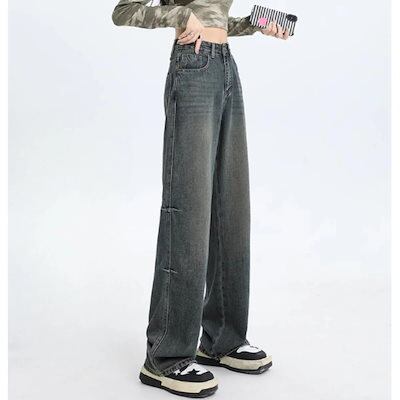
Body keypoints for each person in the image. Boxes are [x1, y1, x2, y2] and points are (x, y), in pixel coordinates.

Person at [111, 0, 290, 397]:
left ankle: (222, 338)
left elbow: (214, 17)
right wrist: (177, 16)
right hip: (192, 68)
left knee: (231, 207)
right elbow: (123, 12)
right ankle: (165, 356)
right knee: (188, 209)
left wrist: (253, 24)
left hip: (225, 66)